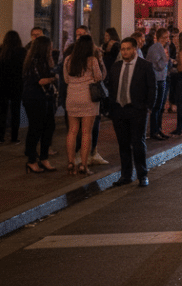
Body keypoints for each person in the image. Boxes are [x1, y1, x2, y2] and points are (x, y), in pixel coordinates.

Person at [107, 36, 154, 187]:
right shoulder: (116, 66)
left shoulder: (145, 66)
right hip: (119, 110)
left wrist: (148, 106)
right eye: (123, 49)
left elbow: (153, 87)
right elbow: (111, 86)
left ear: (135, 49)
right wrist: (111, 108)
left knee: (138, 143)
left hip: (137, 109)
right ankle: (125, 175)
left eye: (128, 49)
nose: (125, 52)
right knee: (123, 144)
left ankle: (142, 174)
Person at [62, 35, 104, 176]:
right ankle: (83, 165)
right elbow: (99, 77)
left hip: (72, 97)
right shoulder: (92, 60)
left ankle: (70, 162)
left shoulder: (68, 60)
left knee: (72, 131)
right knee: (86, 132)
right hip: (88, 97)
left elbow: (66, 79)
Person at [21, 36, 58, 174]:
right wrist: (53, 78)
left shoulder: (44, 61)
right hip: (34, 97)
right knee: (36, 128)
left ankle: (44, 158)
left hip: (46, 97)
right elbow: (40, 81)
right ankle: (31, 160)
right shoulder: (34, 61)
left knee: (49, 127)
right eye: (49, 47)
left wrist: (51, 62)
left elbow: (52, 70)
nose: (51, 49)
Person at [0, 30, 25, 144]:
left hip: (2, 85)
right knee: (15, 111)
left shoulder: (0, 52)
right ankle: (14, 137)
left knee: (2, 112)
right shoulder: (22, 52)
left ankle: (1, 136)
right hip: (17, 85)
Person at [146, 28, 172, 141]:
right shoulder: (156, 47)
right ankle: (154, 131)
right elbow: (156, 62)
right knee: (157, 106)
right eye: (166, 37)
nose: (168, 39)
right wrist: (164, 63)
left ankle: (158, 129)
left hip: (162, 77)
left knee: (160, 106)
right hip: (157, 78)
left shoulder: (163, 47)